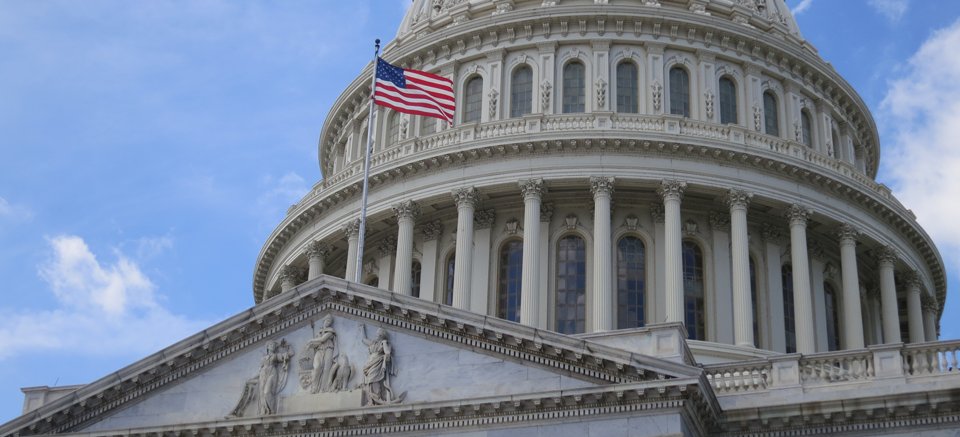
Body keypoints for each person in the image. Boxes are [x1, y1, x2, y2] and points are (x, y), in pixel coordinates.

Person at [360, 325, 405, 405]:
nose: (376, 336)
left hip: (377, 363)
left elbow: (387, 352)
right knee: (368, 382)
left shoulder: (384, 344)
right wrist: (362, 329)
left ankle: (376, 398)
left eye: (378, 334)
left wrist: (384, 343)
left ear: (381, 336)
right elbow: (364, 340)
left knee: (373, 380)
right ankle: (371, 400)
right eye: (376, 334)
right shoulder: (373, 343)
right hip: (369, 363)